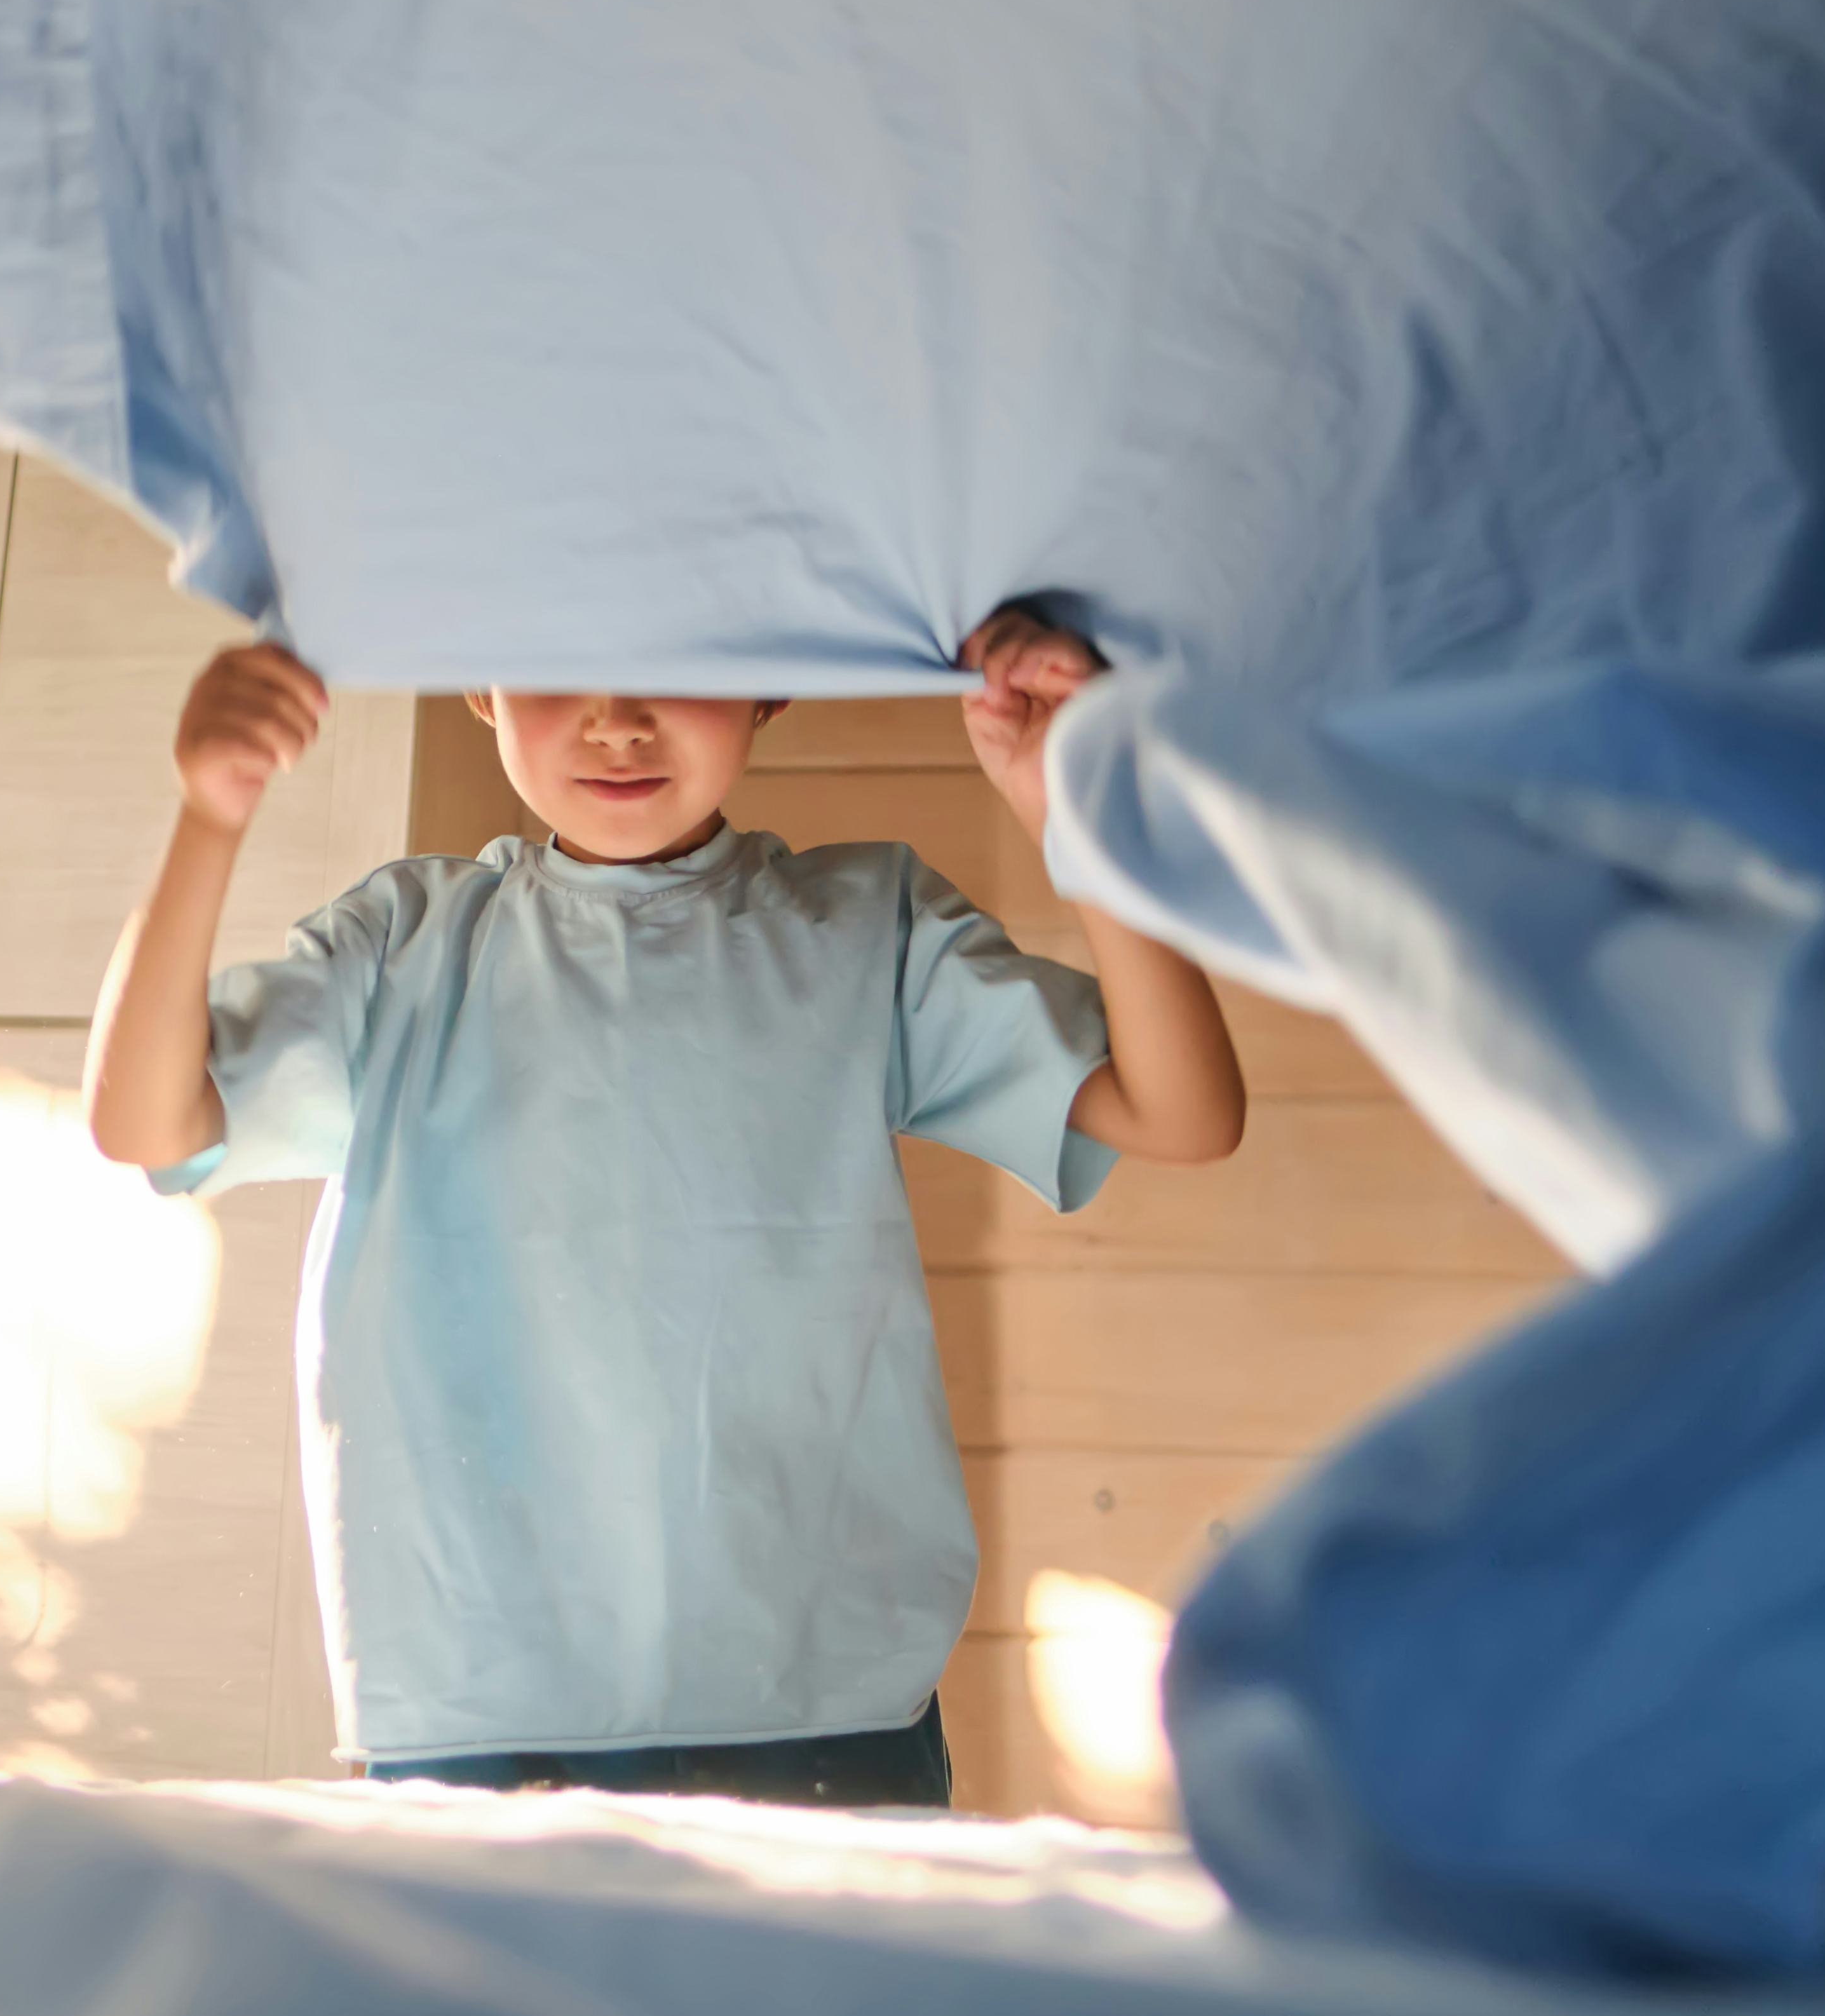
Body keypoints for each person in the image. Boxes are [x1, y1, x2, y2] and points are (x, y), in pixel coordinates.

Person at [85, 606, 1245, 1808]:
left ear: (771, 682)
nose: (616, 719)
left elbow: (1181, 1113)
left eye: (678, 661)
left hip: (824, 1709)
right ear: (477, 685)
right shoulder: (404, 952)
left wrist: (1087, 822)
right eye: (555, 655)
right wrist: (208, 817)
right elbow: (143, 1120)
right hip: (479, 1706)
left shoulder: (864, 932)